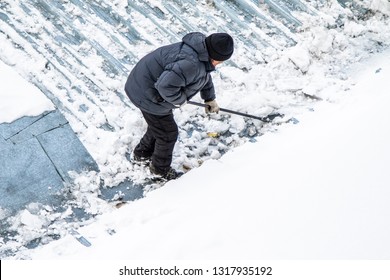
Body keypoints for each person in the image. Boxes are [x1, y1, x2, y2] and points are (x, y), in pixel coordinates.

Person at [124, 32, 234, 180]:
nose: (219, 64)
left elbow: (204, 75)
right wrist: (179, 100)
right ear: (216, 57)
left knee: (159, 126)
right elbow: (165, 86)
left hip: (146, 87)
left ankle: (141, 154)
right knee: (168, 134)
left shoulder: (200, 53)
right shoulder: (191, 64)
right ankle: (159, 170)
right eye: (220, 61)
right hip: (147, 94)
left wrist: (209, 98)